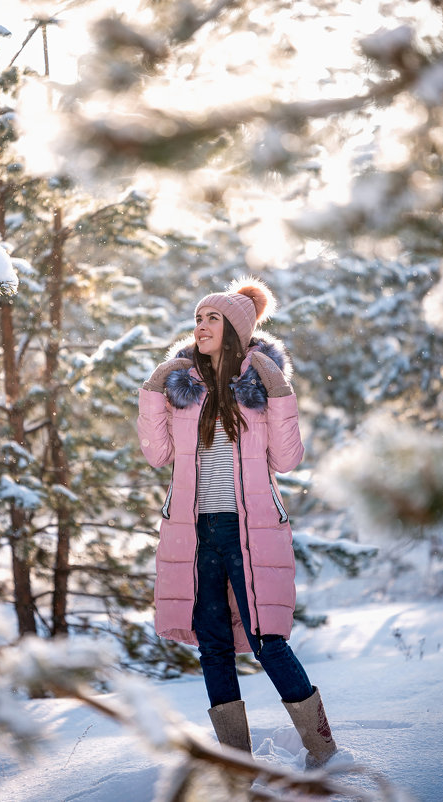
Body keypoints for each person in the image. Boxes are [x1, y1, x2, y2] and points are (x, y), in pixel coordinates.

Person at [137, 278, 337, 769]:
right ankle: (237, 764)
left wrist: (280, 391)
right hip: (196, 533)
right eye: (197, 319)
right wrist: (153, 389)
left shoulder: (261, 389)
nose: (200, 327)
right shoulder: (184, 388)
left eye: (211, 319)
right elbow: (157, 453)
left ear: (235, 330)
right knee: (213, 646)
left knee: (268, 639)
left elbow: (287, 460)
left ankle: (324, 750)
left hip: (253, 534)